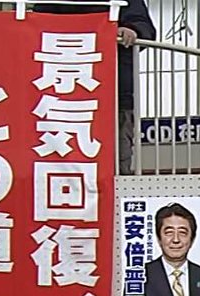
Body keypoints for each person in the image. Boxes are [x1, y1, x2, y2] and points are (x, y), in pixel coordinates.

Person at [34, 0, 156, 174]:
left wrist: (132, 30)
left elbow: (143, 26)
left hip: (115, 96)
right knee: (56, 160)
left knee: (116, 162)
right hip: (58, 97)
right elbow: (37, 22)